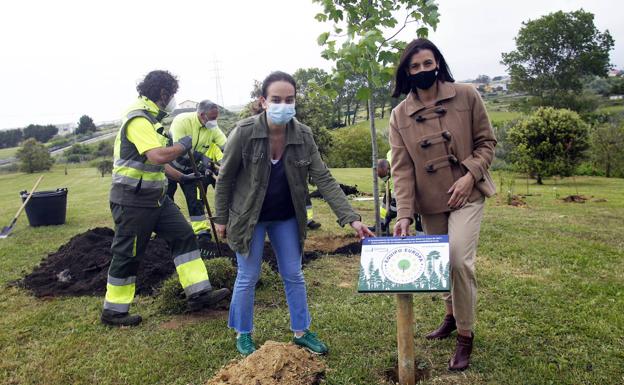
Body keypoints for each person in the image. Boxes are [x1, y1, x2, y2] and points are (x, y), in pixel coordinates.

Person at [214, 71, 374, 356]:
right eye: (276, 99)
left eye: (289, 99)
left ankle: (301, 332)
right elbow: (225, 179)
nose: (283, 105)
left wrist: (351, 217)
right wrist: (222, 219)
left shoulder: (303, 135)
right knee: (247, 276)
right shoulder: (244, 132)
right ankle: (243, 334)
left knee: (294, 273)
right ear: (263, 101)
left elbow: (323, 178)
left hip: (286, 216)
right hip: (248, 217)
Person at [389, 39, 497, 371]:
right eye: (415, 66)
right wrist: (405, 214)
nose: (422, 70)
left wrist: (469, 175)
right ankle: (450, 316)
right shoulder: (399, 115)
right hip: (431, 203)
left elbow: (487, 143)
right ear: (407, 72)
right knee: (441, 266)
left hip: (468, 193)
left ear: (438, 63)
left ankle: (465, 336)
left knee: (459, 261)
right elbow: (402, 169)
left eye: (427, 63)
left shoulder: (466, 95)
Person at [103, 70, 230, 327]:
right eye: (172, 94)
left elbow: (161, 167)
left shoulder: (152, 120)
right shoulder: (138, 120)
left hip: (157, 198)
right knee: (129, 253)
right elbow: (158, 156)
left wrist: (183, 177)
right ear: (163, 93)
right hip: (132, 200)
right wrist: (183, 146)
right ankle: (114, 311)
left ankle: (199, 293)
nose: (173, 99)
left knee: (183, 235)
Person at [168, 100, 227, 248]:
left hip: (192, 168)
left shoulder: (212, 127)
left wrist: (234, 159)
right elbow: (179, 150)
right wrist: (202, 156)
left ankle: (202, 234)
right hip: (170, 167)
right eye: (212, 118)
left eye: (216, 117)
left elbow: (226, 146)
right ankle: (164, 234)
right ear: (202, 115)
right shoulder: (181, 121)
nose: (215, 121)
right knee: (165, 199)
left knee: (195, 198)